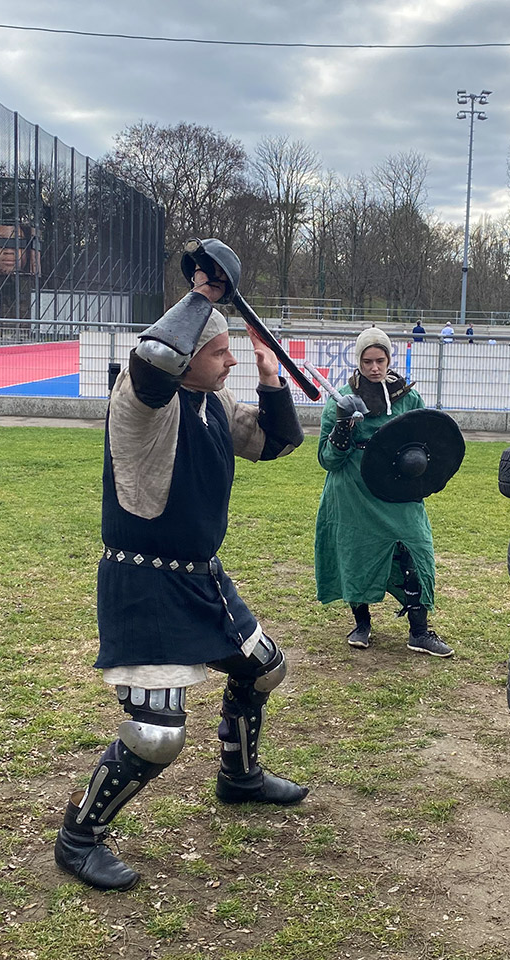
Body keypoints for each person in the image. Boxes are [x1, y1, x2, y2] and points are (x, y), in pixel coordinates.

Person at [54, 239, 308, 893]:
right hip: (144, 581)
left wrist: (268, 374)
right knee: (155, 736)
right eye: (219, 352)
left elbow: (277, 442)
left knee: (264, 669)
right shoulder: (140, 404)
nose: (227, 362)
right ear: (190, 354)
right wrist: (202, 290)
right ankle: (79, 837)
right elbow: (154, 357)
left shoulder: (215, 403)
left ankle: (240, 777)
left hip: (201, 577)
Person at [314, 328, 453, 659]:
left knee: (415, 549)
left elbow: (428, 442)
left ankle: (419, 632)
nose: (374, 368)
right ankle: (361, 624)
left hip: (399, 488)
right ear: (358, 361)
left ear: (389, 360)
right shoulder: (343, 399)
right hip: (352, 490)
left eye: (380, 360)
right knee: (356, 552)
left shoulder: (408, 398)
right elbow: (327, 460)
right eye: (367, 361)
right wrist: (343, 424)